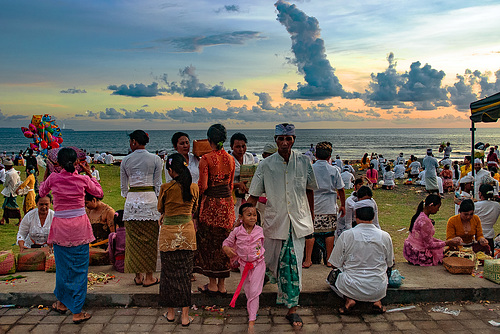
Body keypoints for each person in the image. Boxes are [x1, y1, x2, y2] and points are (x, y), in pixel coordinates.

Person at [247, 123, 317, 329]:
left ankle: (292, 309)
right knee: (268, 261)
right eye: (281, 139)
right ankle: (256, 301)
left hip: (298, 223)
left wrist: (311, 218)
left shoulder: (304, 162)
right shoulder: (265, 165)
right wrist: (245, 220)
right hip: (274, 221)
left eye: (289, 138)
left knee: (294, 266)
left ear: (294, 139)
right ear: (275, 139)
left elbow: (309, 190)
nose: (285, 143)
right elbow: (253, 194)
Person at [39, 147, 103, 324]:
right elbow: (99, 193)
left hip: (60, 228)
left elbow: (41, 192)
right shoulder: (82, 179)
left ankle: (61, 303)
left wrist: (47, 173)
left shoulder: (53, 178)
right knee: (79, 270)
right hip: (79, 228)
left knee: (62, 268)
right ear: (77, 163)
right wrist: (90, 173)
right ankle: (77, 311)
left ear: (57, 163)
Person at [328, 204, 394, 314]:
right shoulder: (385, 236)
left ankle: (349, 299)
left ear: (356, 217)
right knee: (386, 272)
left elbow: (334, 263)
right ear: (373, 217)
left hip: (350, 285)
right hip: (377, 287)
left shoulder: (346, 235)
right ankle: (377, 301)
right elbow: (390, 263)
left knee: (332, 277)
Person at [158, 153, 199, 327]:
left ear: (170, 170)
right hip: (187, 235)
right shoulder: (194, 187)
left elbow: (160, 208)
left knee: (168, 274)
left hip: (168, 235)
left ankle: (170, 313)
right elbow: (195, 208)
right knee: (184, 275)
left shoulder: (166, 188)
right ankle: (185, 316)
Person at [194, 124, 235, 296]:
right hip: (227, 205)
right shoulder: (231, 159)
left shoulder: (206, 159)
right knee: (224, 242)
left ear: (209, 139)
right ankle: (222, 285)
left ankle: (211, 284)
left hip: (211, 205)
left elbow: (202, 186)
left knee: (210, 243)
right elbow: (231, 185)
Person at [120, 130, 163, 287]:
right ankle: (149, 276)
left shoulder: (125, 160)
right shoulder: (156, 159)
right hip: (151, 202)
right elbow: (158, 185)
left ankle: (138, 276)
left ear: (133, 142)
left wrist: (133, 197)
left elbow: (124, 189)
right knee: (150, 243)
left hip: (132, 204)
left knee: (133, 242)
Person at [222, 203, 265, 333]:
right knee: (248, 290)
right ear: (241, 217)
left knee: (254, 290)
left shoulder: (260, 230)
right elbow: (226, 243)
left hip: (258, 264)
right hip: (244, 265)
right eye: (249, 215)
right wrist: (227, 249)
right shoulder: (236, 232)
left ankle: (251, 320)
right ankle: (253, 310)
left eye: (254, 215)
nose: (252, 217)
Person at [303, 142, 345, 269]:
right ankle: (329, 259)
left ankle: (308, 259)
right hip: (329, 205)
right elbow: (341, 189)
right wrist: (343, 204)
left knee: (311, 233)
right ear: (329, 156)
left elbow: (304, 188)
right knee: (329, 234)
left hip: (312, 205)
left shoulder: (310, 169)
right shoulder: (334, 170)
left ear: (315, 154)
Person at [403, 194, 461, 266]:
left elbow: (427, 238)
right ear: (431, 205)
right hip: (418, 254)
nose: (438, 210)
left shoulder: (420, 215)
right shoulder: (425, 221)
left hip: (411, 250)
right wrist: (447, 243)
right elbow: (429, 245)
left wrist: (445, 242)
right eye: (437, 207)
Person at [230, 132, 256, 218]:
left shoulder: (249, 157)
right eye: (237, 147)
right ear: (231, 147)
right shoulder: (228, 160)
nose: (241, 149)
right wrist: (237, 185)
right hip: (233, 196)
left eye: (243, 146)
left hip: (247, 195)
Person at [474, 184, 500, 252]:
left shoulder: (476, 205)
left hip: (477, 236)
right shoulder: (497, 205)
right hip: (490, 235)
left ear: (480, 194)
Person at [0, 159, 21, 225]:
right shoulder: (15, 172)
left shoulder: (9, 174)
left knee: (14, 206)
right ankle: (3, 219)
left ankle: (20, 220)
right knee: (6, 206)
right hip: (13, 191)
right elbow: (19, 181)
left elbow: (5, 183)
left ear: (8, 166)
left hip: (10, 192)